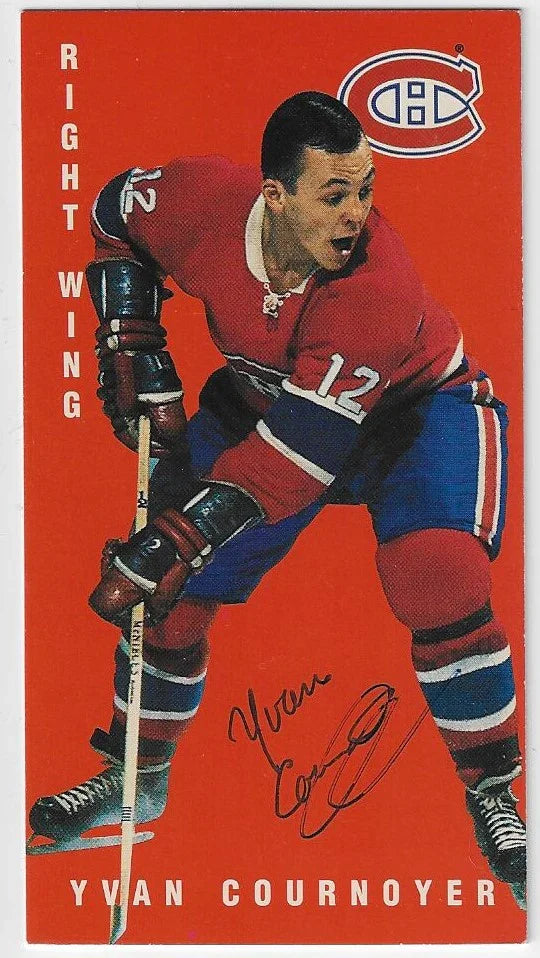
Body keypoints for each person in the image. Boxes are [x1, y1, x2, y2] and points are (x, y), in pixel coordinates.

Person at [27, 92, 526, 907]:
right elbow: (113, 214)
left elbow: (291, 464)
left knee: (437, 574)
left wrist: (176, 537)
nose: (358, 215)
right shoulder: (198, 200)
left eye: (366, 189)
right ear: (274, 195)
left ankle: (494, 792)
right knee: (170, 600)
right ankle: (136, 775)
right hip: (271, 403)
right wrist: (130, 336)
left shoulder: (378, 289)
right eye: (335, 194)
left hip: (411, 415)